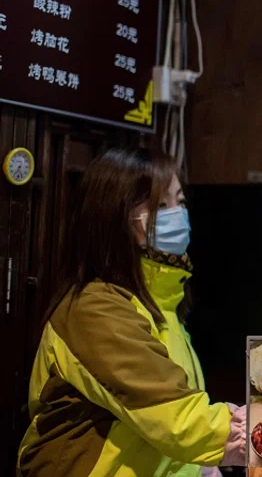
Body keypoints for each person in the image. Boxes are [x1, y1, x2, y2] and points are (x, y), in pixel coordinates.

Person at [17, 148, 246, 477]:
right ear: (116, 217)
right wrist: (254, 435)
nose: (177, 214)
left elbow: (167, 431)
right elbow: (173, 414)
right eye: (160, 205)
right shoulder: (93, 310)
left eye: (179, 202)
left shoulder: (163, 304)